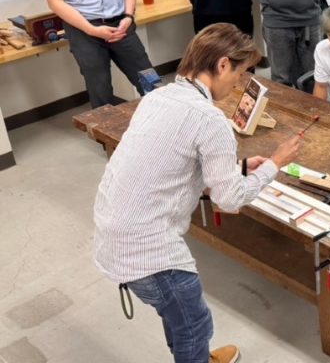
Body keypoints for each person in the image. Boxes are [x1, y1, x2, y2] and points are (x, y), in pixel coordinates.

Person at [93, 23, 302, 363]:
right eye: (239, 74)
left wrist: (239, 167)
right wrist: (275, 164)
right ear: (222, 64)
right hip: (147, 252)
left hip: (112, 235)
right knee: (193, 325)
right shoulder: (210, 119)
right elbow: (229, 200)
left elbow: (173, 165)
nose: (237, 84)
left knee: (179, 319)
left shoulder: (157, 97)